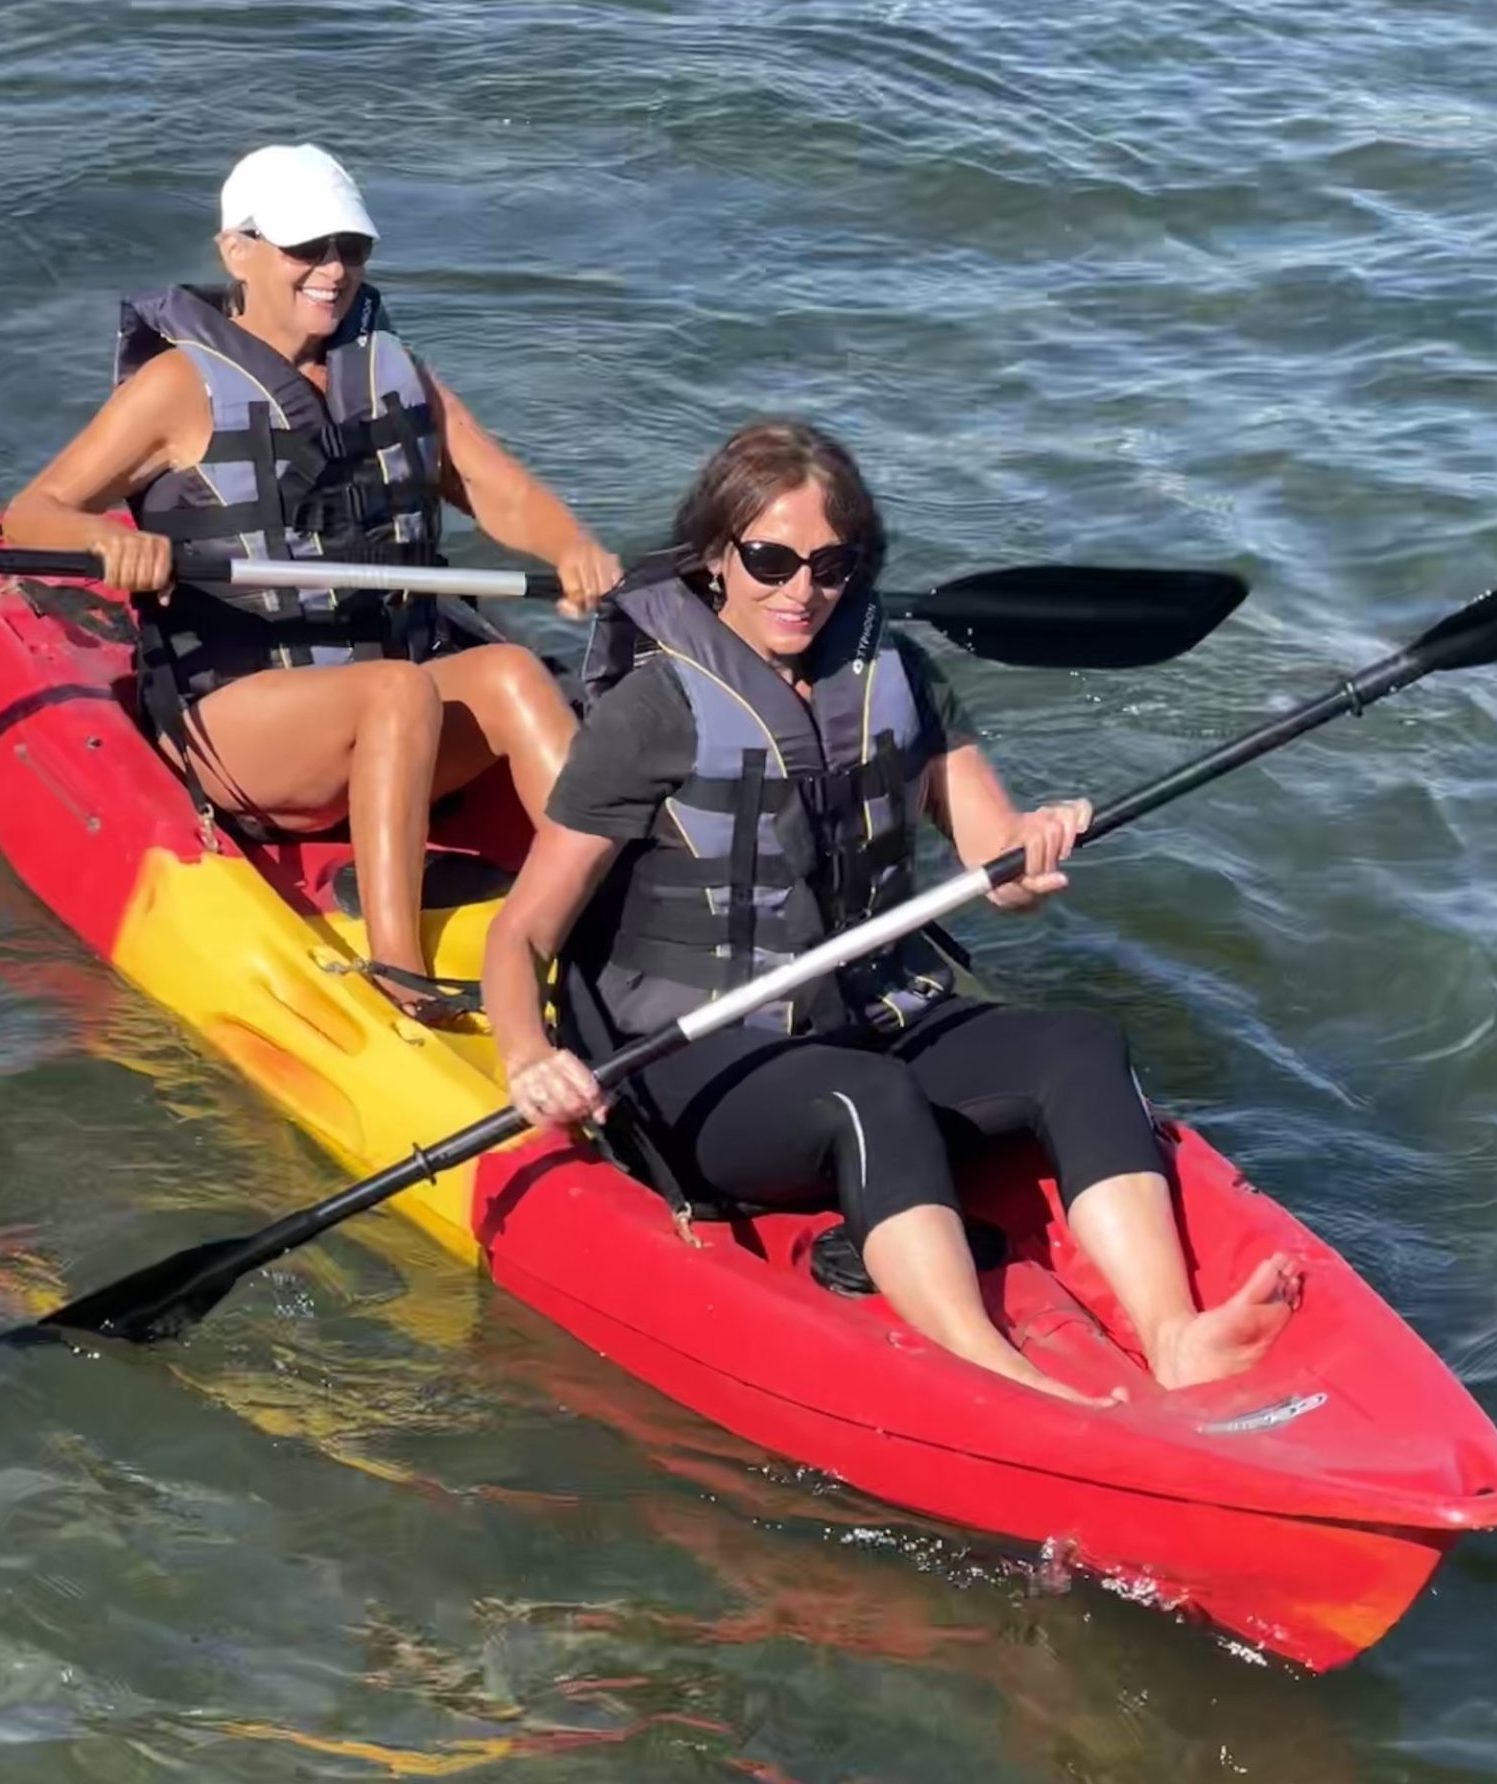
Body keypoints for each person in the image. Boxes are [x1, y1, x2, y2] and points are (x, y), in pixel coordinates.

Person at [481, 419, 1302, 1401]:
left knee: (1079, 1044)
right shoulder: (654, 710)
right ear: (716, 559)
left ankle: (1175, 1335)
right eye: (771, 560)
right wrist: (530, 1058)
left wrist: (1035, 850)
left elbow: (1000, 871)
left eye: (831, 565)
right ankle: (991, 1372)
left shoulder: (900, 678)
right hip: (701, 1064)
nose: (801, 591)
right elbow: (521, 929)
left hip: (871, 1015)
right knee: (868, 1098)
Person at [0, 143, 620, 1019]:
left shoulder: (393, 374)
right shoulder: (180, 386)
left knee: (515, 674)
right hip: (240, 722)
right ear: (237, 250)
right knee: (396, 694)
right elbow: (34, 512)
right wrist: (108, 542)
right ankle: (400, 973)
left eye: (350, 249)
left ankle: (615, 919)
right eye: (307, 248)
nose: (333, 270)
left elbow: (498, 487)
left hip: (382, 707)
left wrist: (572, 547)